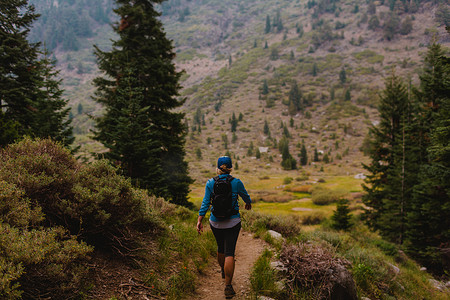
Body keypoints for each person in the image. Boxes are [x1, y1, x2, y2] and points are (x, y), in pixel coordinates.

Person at [197, 156, 252, 299]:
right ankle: (228, 286)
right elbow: (245, 196)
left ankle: (223, 269)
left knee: (220, 247)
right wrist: (248, 203)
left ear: (217, 168)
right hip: (233, 222)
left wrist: (200, 219)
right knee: (230, 252)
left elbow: (205, 203)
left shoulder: (210, 183)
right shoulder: (236, 182)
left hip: (215, 222)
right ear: (230, 168)